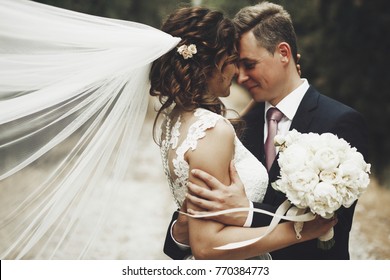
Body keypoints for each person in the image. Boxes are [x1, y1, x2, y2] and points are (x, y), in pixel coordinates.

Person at [165, 2, 369, 260]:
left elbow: (329, 226)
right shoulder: (233, 126)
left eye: (249, 64)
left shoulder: (340, 122)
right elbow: (191, 236)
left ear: (283, 53)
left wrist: (247, 212)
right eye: (235, 64)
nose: (239, 77)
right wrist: (180, 231)